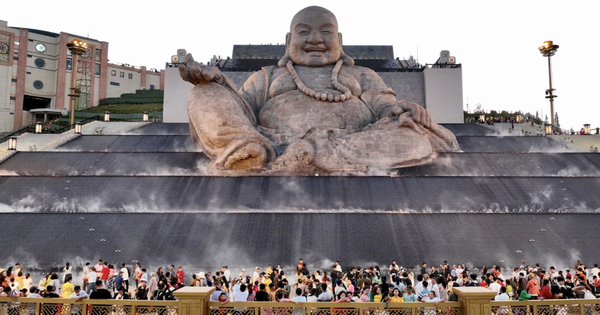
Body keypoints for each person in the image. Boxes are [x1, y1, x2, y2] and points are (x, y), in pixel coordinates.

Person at [179, 6, 459, 174]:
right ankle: (249, 149)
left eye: (326, 32)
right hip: (267, 139)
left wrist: (400, 109)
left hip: (348, 142)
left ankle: (311, 153)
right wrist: (215, 81)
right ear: (288, 40)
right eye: (303, 32)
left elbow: (385, 106)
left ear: (339, 39)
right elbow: (239, 109)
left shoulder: (361, 74)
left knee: (412, 137)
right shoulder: (268, 76)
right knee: (203, 94)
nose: (315, 39)